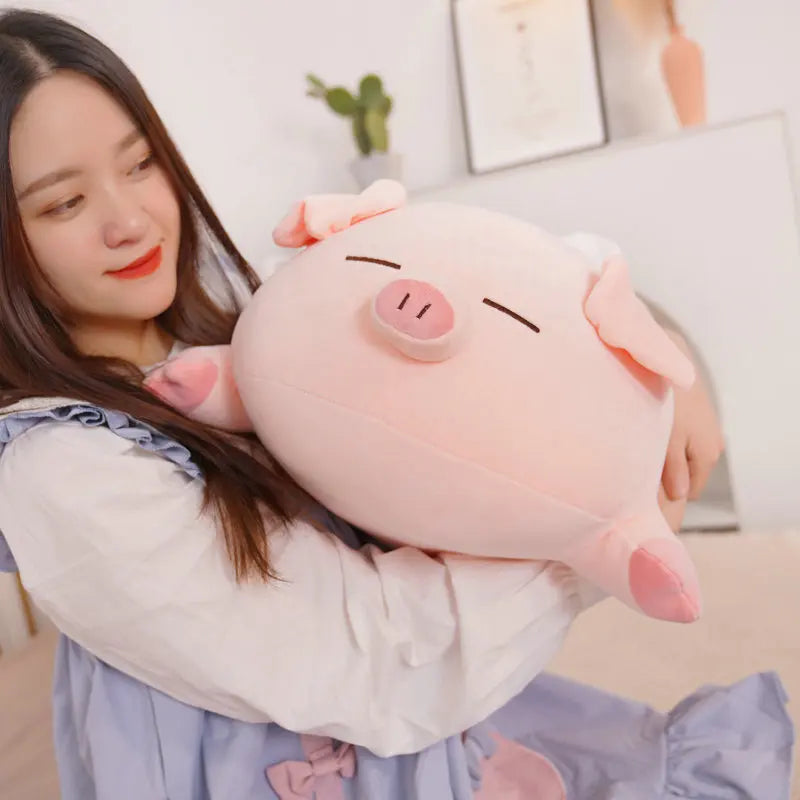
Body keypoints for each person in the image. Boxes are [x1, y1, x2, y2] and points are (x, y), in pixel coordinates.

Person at [0, 9, 724, 798]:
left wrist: (639, 367)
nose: (131, 220)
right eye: (63, 204)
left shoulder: (243, 321)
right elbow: (374, 664)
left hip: (424, 754)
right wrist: (598, 522)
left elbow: (492, 295)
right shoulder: (60, 470)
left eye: (139, 164)